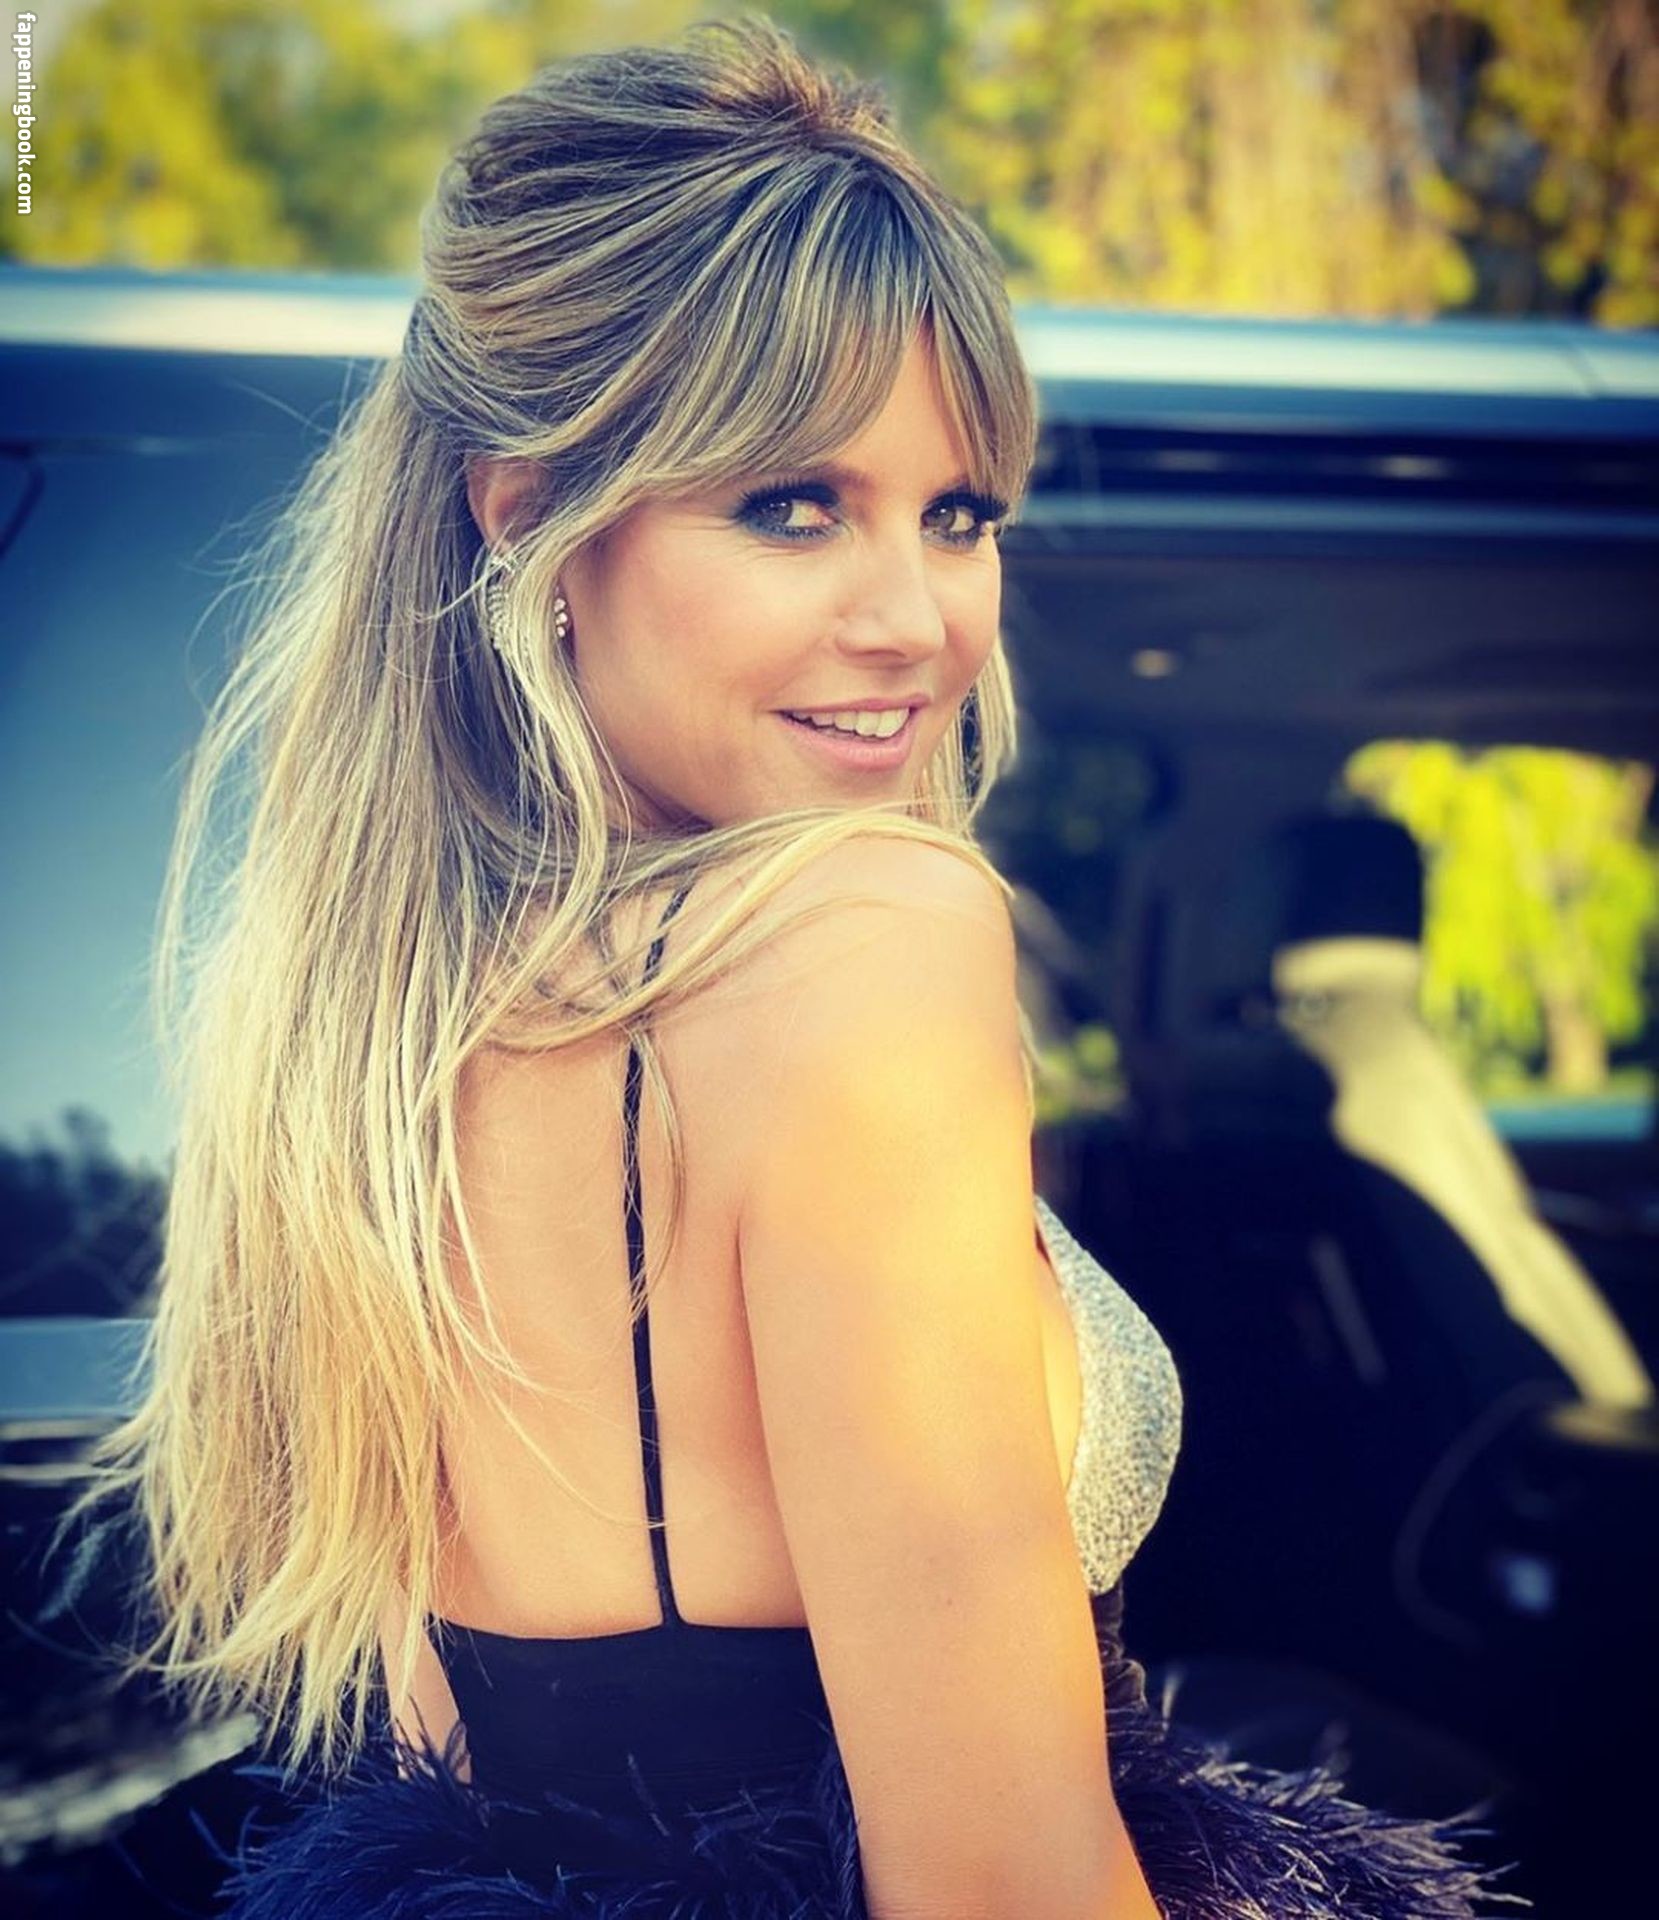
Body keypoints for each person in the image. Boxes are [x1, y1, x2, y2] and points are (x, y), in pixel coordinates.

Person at [58, 16, 1531, 1917]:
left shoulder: (384, 1025)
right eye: (791, 506)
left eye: (958, 515)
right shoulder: (867, 942)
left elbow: (457, 1751)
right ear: (532, 520)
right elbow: (1001, 1886)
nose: (914, 618)